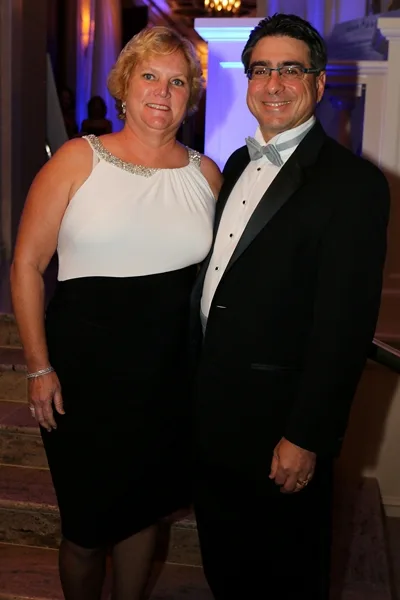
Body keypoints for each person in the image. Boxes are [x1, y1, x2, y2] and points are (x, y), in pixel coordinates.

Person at [10, 26, 221, 600]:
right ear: (124, 85)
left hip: (168, 376)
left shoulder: (206, 175)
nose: (162, 92)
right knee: (86, 529)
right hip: (84, 376)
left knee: (144, 512)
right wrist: (38, 367)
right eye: (149, 76)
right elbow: (26, 265)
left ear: (191, 95)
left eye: (177, 81)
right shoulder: (78, 159)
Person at [190, 13, 390, 600]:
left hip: (280, 425)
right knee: (224, 566)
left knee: (285, 576)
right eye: (261, 70)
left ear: (319, 83)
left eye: (290, 70)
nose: (273, 84)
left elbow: (344, 327)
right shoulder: (234, 163)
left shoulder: (354, 185)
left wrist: (306, 435)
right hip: (213, 414)